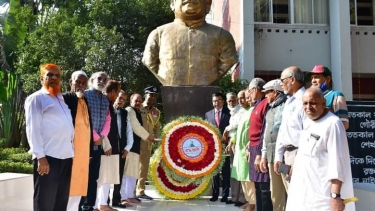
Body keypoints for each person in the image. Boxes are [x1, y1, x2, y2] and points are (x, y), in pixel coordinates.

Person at [286, 87, 355, 211]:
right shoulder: (308, 122)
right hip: (303, 196)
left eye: (313, 103)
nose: (308, 107)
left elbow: (337, 164)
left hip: (323, 199)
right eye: (305, 103)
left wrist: (335, 196)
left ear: (323, 103)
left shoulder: (333, 124)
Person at [142, 0, 237, 86]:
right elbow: (149, 61)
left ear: (207, 4)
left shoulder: (222, 36)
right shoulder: (158, 35)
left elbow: (229, 60)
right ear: (172, 3)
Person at [25, 63, 74, 211]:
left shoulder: (60, 99)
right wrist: (40, 157)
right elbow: (33, 129)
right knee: (44, 203)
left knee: (61, 202)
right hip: (48, 158)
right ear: (42, 79)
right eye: (50, 75)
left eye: (57, 75)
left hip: (65, 157)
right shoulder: (36, 99)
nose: (54, 78)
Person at [80, 72, 111, 211]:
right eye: (99, 78)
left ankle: (89, 206)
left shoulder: (105, 99)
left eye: (105, 80)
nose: (102, 81)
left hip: (98, 144)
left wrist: (102, 135)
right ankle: (80, 206)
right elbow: (82, 118)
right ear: (92, 80)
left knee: (93, 176)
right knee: (83, 176)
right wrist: (95, 137)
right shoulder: (85, 95)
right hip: (84, 143)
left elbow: (108, 119)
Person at [63, 71, 92, 211]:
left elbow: (88, 127)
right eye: (77, 82)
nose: (80, 85)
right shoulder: (63, 99)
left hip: (83, 153)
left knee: (80, 184)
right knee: (68, 185)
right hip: (68, 151)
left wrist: (90, 151)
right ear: (70, 82)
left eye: (83, 83)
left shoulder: (84, 100)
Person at [273, 66, 305, 193]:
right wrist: (278, 156)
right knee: (291, 195)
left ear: (292, 79)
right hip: (287, 154)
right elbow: (282, 131)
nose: (281, 84)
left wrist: (298, 160)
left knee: (300, 194)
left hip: (298, 154)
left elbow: (306, 134)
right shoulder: (288, 102)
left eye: (282, 80)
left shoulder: (305, 100)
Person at [259, 79, 288, 211]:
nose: (265, 96)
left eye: (267, 93)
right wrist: (264, 155)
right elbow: (266, 133)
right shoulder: (270, 109)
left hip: (284, 156)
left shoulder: (288, 105)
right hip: (271, 155)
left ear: (275, 92)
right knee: (276, 192)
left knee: (289, 188)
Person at [225, 90, 256, 211]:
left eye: (243, 98)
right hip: (240, 149)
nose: (241, 101)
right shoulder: (244, 112)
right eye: (239, 99)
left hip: (248, 149)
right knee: (242, 176)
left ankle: (252, 203)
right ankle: (249, 202)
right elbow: (238, 130)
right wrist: (231, 141)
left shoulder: (253, 110)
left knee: (248, 178)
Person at [94, 80, 122, 211]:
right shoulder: (105, 103)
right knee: (102, 177)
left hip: (111, 146)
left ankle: (103, 203)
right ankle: (99, 204)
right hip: (106, 147)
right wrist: (106, 145)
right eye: (117, 92)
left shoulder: (109, 103)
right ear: (112, 92)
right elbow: (101, 126)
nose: (117, 96)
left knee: (107, 176)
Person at [247, 78, 272, 211]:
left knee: (264, 188)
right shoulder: (257, 104)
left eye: (250, 91)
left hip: (260, 149)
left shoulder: (266, 103)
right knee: (257, 185)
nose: (249, 94)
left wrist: (259, 154)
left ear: (256, 90)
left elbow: (264, 131)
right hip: (253, 147)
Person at [125, 94, 154, 205]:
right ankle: (124, 197)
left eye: (140, 101)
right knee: (127, 174)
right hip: (129, 146)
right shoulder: (129, 111)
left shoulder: (136, 111)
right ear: (131, 100)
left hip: (136, 145)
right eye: (136, 100)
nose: (138, 103)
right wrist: (148, 137)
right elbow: (136, 127)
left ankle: (130, 196)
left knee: (133, 172)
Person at [135, 86, 161, 200]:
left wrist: (158, 141)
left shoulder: (155, 112)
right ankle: (128, 192)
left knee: (143, 168)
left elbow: (157, 128)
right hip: (136, 142)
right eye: (151, 94)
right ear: (145, 95)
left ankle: (140, 191)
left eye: (155, 95)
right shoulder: (138, 107)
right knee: (132, 167)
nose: (153, 97)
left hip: (147, 143)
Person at [205, 92, 231, 202]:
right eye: (214, 101)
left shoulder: (229, 113)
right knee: (214, 172)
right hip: (213, 148)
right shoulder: (208, 114)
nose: (216, 103)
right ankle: (215, 194)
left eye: (218, 100)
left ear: (223, 101)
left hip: (225, 146)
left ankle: (225, 195)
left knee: (225, 171)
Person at [306, 65, 349, 129]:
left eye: (316, 77)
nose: (313, 81)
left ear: (328, 79)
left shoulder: (336, 95)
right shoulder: (311, 98)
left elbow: (344, 124)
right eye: (312, 78)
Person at [111, 90, 134, 208]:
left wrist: (128, 147)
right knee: (105, 177)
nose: (121, 101)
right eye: (120, 98)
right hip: (108, 149)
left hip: (122, 149)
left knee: (118, 176)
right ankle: (102, 202)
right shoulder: (108, 109)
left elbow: (129, 131)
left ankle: (116, 200)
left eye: (124, 99)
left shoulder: (125, 113)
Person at [224, 91, 246, 206]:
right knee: (234, 169)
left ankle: (242, 198)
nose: (231, 102)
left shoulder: (241, 110)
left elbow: (237, 125)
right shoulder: (232, 112)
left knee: (240, 169)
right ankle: (234, 197)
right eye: (229, 101)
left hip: (238, 143)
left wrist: (226, 129)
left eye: (233, 100)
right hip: (231, 142)